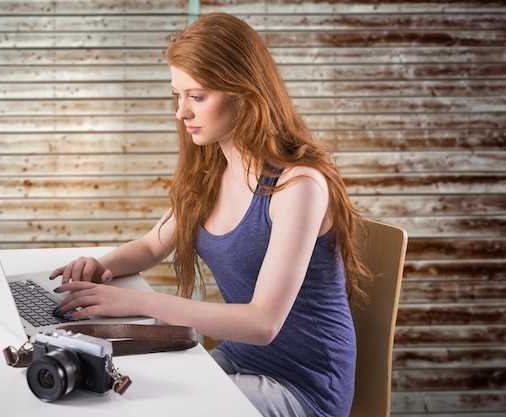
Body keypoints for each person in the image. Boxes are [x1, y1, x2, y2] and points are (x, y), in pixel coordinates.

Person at [49, 12, 369, 417]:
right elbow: (152, 245)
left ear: (245, 93)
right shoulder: (210, 171)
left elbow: (262, 323)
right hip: (243, 359)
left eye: (197, 96)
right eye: (176, 95)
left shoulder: (298, 186)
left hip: (303, 386)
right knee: (123, 394)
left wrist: (136, 303)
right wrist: (98, 268)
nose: (181, 113)